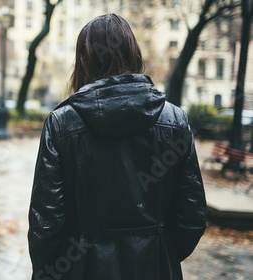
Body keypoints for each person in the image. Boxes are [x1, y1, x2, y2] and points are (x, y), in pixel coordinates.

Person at [28, 14, 206, 280]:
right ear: (133, 54)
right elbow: (191, 216)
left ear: (83, 60)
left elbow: (46, 222)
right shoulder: (175, 121)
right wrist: (158, 251)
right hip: (154, 268)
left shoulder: (62, 124)